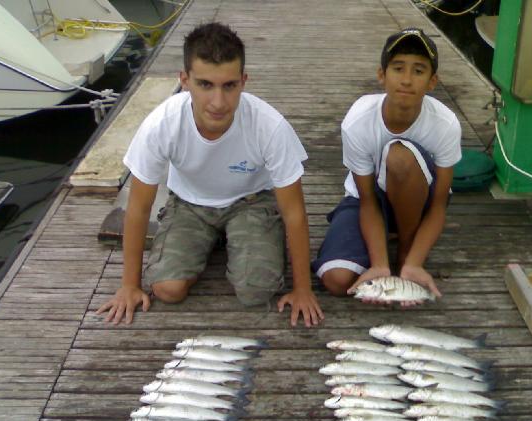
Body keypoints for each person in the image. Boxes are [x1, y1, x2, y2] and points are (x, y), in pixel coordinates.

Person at [97, 22, 323, 326]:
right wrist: (129, 285)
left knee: (257, 291)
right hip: (190, 204)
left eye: (229, 86)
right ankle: (215, 239)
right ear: (184, 80)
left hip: (251, 201)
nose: (218, 102)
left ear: (244, 81)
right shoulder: (161, 124)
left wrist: (303, 289)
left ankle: (236, 238)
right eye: (205, 84)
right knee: (167, 289)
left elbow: (294, 211)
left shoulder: (269, 126)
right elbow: (138, 207)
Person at [311, 27, 462, 305]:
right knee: (336, 280)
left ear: (432, 82)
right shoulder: (358, 121)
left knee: (399, 156)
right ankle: (386, 248)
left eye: (418, 71)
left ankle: (406, 250)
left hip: (421, 201)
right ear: (381, 75)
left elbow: (440, 204)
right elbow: (367, 200)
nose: (406, 80)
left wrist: (414, 261)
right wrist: (380, 266)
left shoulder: (446, 124)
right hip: (370, 200)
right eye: (397, 68)